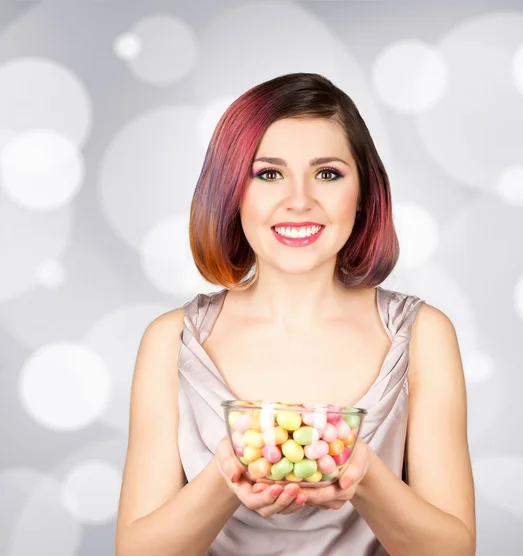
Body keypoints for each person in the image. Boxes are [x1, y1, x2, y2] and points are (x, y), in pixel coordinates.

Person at [115, 73, 476, 556]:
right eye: (268, 174)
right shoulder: (172, 340)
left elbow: (454, 550)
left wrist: (364, 477)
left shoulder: (422, 335)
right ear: (232, 192)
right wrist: (227, 479)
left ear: (365, 193)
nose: (300, 200)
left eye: (328, 174)